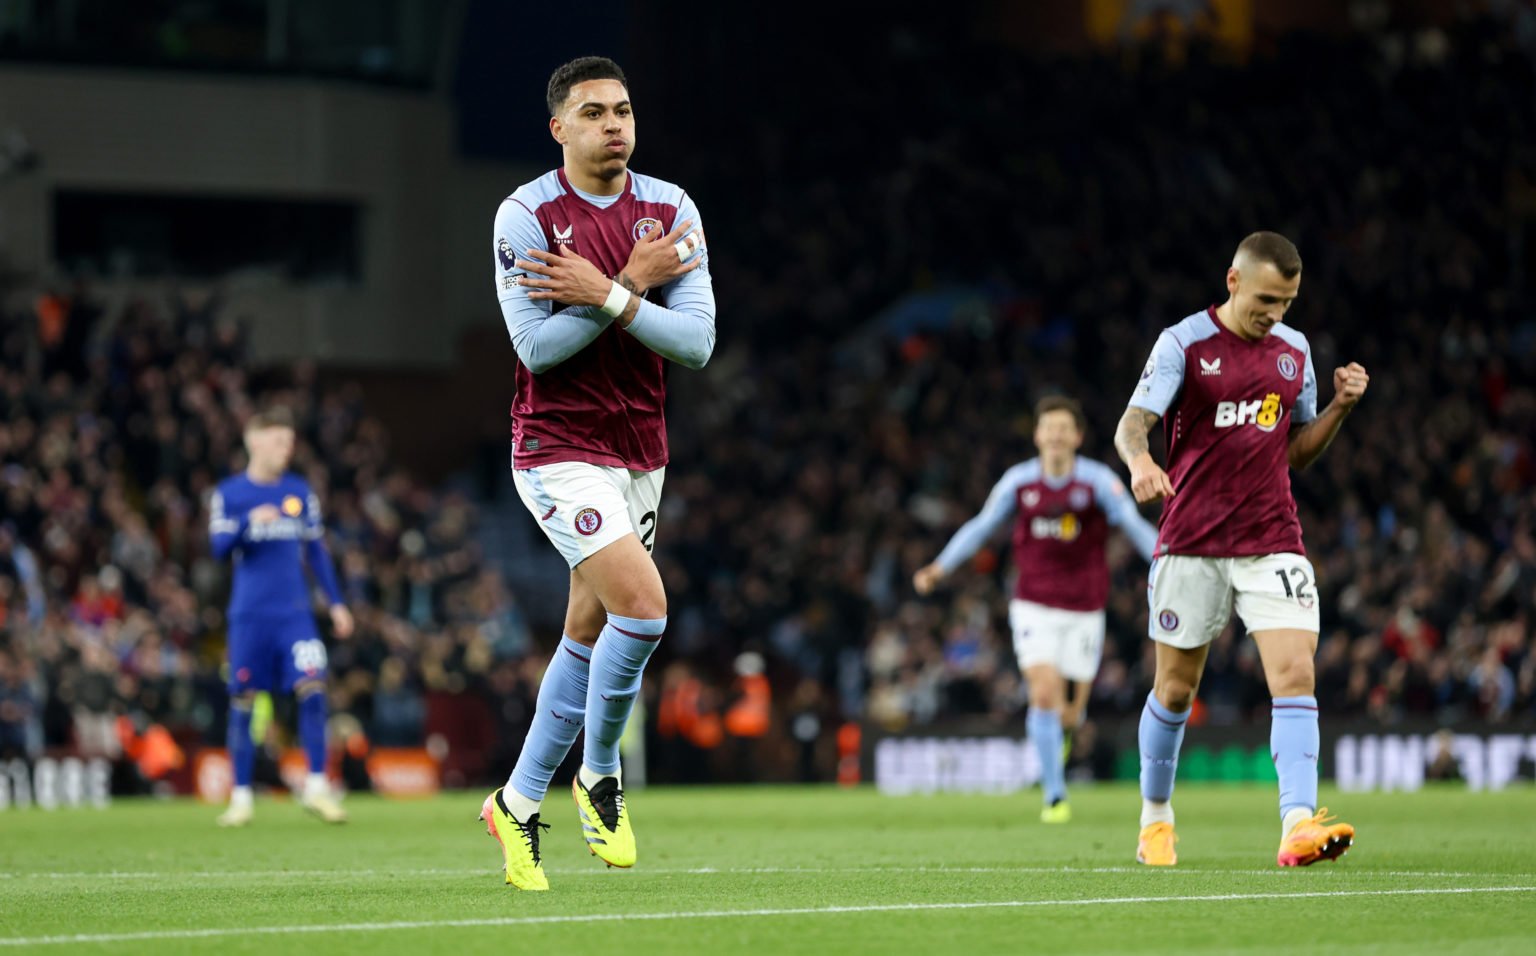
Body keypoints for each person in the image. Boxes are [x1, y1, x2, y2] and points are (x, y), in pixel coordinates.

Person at [481, 55, 715, 891]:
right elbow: (535, 349)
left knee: (587, 633)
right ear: (560, 129)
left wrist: (609, 295)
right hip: (556, 447)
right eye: (593, 113)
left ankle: (517, 801)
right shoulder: (527, 215)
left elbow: (695, 344)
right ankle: (600, 773)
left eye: (623, 110)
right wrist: (627, 286)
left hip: (641, 451)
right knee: (645, 611)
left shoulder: (671, 209)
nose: (614, 124)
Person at [1113, 231, 1368, 867]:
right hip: (1191, 541)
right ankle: (1155, 820)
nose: (1274, 315)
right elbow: (1131, 423)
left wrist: (1337, 406)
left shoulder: (1294, 350)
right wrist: (1142, 462)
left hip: (1270, 538)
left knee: (1295, 673)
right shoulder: (1184, 344)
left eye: (1286, 302)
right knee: (1174, 691)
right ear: (1233, 282)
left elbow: (1297, 450)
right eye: (1264, 301)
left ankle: (1297, 825)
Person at [913, 395, 1157, 822]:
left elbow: (1133, 524)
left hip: (1084, 609)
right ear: (1038, 435)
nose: (1057, 436)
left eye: (1065, 428)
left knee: (1071, 713)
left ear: (1077, 436)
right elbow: (981, 526)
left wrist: (1164, 559)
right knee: (1043, 693)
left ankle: (1061, 734)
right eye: (1050, 428)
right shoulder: (1019, 482)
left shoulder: (1098, 482)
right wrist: (940, 567)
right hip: (1033, 605)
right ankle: (1055, 795)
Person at [208, 407, 354, 826]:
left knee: (313, 685)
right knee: (245, 700)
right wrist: (246, 523)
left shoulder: (299, 491)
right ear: (254, 441)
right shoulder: (231, 494)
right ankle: (240, 798)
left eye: (289, 442)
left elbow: (317, 552)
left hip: (296, 615)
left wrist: (337, 602)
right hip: (250, 616)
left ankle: (316, 786)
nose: (285, 450)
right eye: (278, 441)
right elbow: (217, 548)